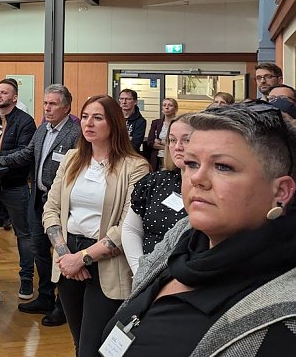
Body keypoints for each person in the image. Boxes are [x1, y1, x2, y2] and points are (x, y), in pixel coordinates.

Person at [100, 102, 296, 356]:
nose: (196, 179)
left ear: (280, 191)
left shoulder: (283, 318)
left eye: (223, 166)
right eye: (192, 164)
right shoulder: (183, 238)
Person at [42, 94, 149, 357]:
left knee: (94, 347)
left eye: (98, 118)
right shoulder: (71, 158)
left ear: (114, 123)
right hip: (67, 256)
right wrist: (68, 255)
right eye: (86, 116)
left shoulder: (135, 166)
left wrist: (84, 258)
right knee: (79, 342)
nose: (88, 123)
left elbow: (127, 226)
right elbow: (51, 208)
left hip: (106, 261)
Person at [0, 84, 80, 326]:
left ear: (67, 107)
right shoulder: (43, 130)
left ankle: (63, 305)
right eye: (45, 103)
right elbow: (27, 154)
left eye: (53, 104)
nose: (47, 108)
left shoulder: (75, 133)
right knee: (38, 248)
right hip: (38, 199)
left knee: (63, 253)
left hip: (63, 204)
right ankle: (46, 296)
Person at [0, 79, 37, 298]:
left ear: (14, 97)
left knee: (23, 233)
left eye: (4, 92)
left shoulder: (25, 121)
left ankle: (27, 278)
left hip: (15, 185)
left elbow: (25, 152)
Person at [122, 114, 192, 275]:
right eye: (173, 140)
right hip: (147, 275)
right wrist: (140, 272)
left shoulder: (210, 188)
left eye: (186, 140)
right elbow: (131, 230)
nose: (178, 146)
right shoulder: (155, 182)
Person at [144, 97, 178, 170]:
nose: (166, 107)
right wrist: (167, 145)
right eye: (164, 105)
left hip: (172, 158)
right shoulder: (156, 123)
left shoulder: (178, 124)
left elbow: (177, 143)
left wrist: (160, 142)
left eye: (170, 105)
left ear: (175, 108)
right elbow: (150, 142)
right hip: (157, 158)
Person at [118, 88, 146, 152]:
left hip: (130, 155)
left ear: (135, 102)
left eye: (128, 99)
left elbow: (135, 144)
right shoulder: (113, 118)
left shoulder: (140, 121)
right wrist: (128, 138)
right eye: (121, 99)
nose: (124, 102)